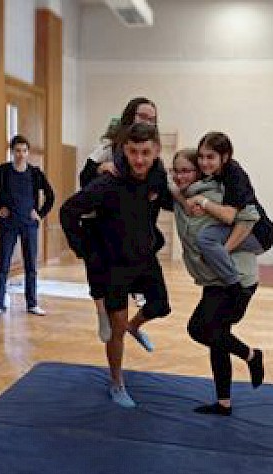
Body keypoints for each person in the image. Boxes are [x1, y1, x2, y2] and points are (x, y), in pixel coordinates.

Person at [62, 123, 171, 408]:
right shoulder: (108, 182)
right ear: (124, 150)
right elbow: (68, 210)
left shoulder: (158, 178)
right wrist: (83, 249)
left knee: (160, 305)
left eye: (145, 152)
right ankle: (117, 382)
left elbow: (173, 199)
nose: (139, 159)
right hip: (114, 265)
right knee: (116, 328)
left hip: (144, 258)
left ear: (156, 151)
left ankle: (136, 326)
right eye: (133, 152)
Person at [172, 147, 264, 416]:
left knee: (200, 329)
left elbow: (248, 215)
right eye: (176, 171)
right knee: (216, 334)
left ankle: (251, 355)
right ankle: (224, 403)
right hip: (215, 280)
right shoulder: (184, 197)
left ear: (199, 172)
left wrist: (205, 203)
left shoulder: (216, 194)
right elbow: (166, 186)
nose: (180, 176)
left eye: (186, 171)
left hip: (237, 279)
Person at [76, 97, 163, 348]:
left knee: (154, 241)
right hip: (98, 218)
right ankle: (101, 312)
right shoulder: (109, 144)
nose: (148, 122)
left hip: (126, 222)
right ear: (129, 117)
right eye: (142, 116)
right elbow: (85, 176)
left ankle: (135, 289)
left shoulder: (151, 150)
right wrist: (101, 168)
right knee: (96, 263)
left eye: (152, 119)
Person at [0, 135, 54, 319]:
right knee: (3, 266)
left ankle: (32, 304)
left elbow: (50, 196)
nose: (21, 154)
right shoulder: (1, 172)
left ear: (28, 153)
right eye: (17, 151)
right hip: (8, 225)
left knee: (31, 266)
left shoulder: (35, 173)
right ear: (12, 152)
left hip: (29, 225)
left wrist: (40, 214)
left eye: (24, 151)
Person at [185, 131, 273, 290]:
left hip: (259, 233)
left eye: (210, 157)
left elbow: (229, 216)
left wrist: (201, 201)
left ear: (224, 157)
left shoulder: (234, 175)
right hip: (243, 227)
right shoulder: (214, 173)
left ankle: (234, 286)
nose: (204, 162)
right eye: (201, 157)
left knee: (206, 239)